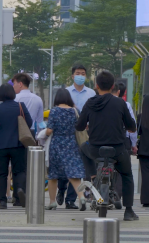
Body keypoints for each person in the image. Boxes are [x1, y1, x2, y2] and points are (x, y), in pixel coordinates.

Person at [76, 71, 139, 221]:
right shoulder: (120, 103)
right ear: (112, 86)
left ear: (96, 85)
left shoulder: (89, 103)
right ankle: (129, 211)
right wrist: (130, 129)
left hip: (95, 150)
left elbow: (79, 126)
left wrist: (86, 125)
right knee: (127, 175)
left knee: (82, 148)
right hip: (117, 150)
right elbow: (131, 125)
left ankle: (92, 175)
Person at [0, 84, 32, 209]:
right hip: (18, 144)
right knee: (19, 171)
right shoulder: (20, 106)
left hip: (1, 146)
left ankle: (2, 201)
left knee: (1, 173)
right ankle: (18, 193)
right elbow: (29, 122)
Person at [44, 88, 87, 211]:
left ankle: (52, 202)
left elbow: (50, 130)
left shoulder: (54, 111)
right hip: (71, 144)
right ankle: (81, 197)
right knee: (73, 173)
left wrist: (44, 134)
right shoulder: (75, 111)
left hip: (56, 144)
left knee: (53, 175)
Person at [62, 63, 95, 208]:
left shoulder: (91, 93)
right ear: (72, 76)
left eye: (82, 73)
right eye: (78, 73)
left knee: (80, 165)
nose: (80, 76)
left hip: (86, 133)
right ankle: (61, 189)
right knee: (67, 165)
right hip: (69, 133)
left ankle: (70, 199)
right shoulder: (66, 92)